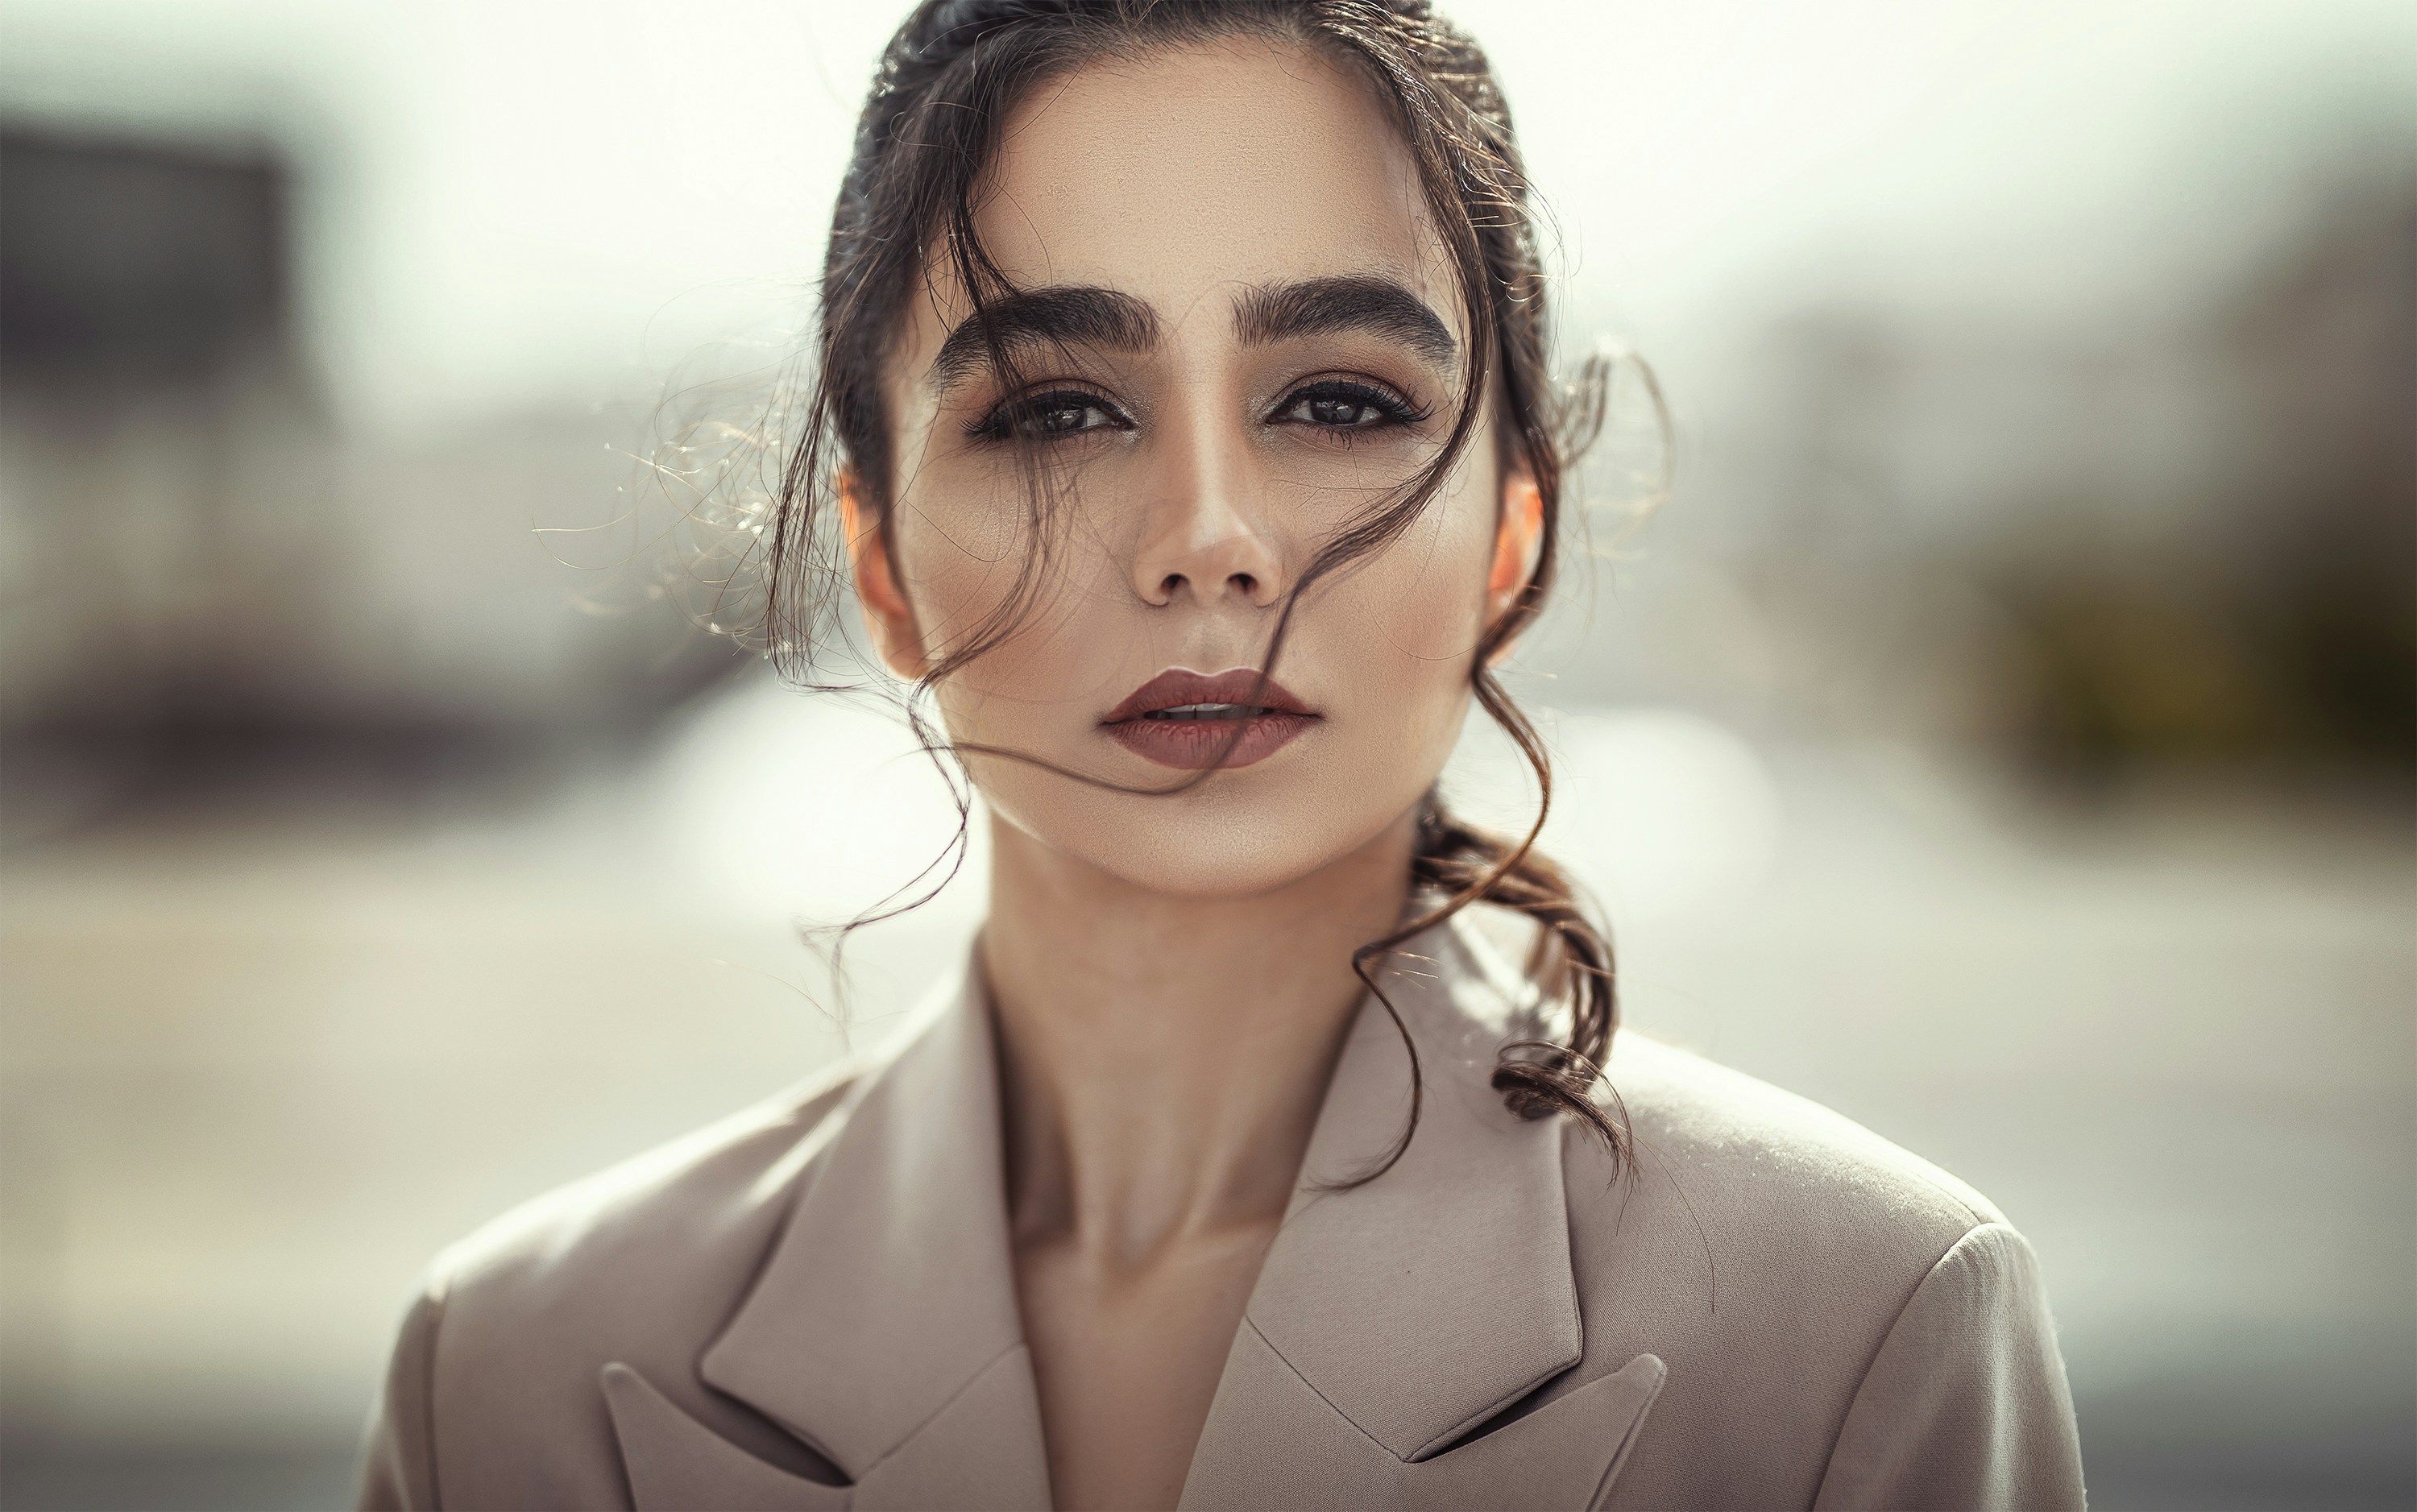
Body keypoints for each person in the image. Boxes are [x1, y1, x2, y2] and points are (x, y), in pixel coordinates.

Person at [357, 2, 2087, 1507]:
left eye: (1338, 401)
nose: (1208, 537)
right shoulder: (510, 1375)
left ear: (1510, 537)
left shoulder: (1864, 1325)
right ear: (874, 558)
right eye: (1054, 409)